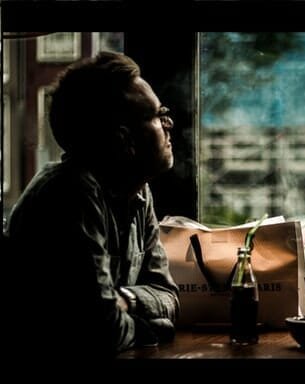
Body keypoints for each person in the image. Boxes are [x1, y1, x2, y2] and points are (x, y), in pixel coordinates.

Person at [6, 52, 180, 359]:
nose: (169, 123)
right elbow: (100, 331)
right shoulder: (70, 194)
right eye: (156, 114)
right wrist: (143, 326)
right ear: (124, 140)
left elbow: (168, 296)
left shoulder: (138, 191)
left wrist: (124, 300)